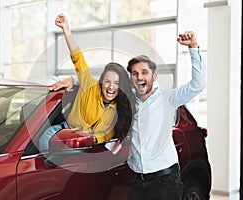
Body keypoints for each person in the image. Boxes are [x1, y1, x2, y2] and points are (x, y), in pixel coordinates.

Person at [126, 31, 206, 200]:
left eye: (144, 72)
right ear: (131, 78)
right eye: (135, 73)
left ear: (154, 77)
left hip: (165, 182)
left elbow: (198, 85)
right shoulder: (128, 100)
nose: (140, 77)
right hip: (137, 182)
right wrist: (73, 82)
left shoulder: (168, 98)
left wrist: (193, 47)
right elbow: (104, 87)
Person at [41, 14, 134, 150]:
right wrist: (66, 30)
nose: (111, 87)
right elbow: (78, 59)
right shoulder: (89, 85)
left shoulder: (119, 108)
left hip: (89, 145)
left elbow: (110, 134)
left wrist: (96, 139)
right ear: (101, 82)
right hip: (61, 134)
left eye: (116, 83)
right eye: (107, 81)